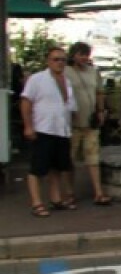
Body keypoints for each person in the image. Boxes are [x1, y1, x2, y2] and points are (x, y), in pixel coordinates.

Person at [20, 46, 77, 217]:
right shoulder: (37, 79)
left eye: (63, 60)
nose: (60, 63)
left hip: (61, 130)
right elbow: (26, 102)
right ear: (48, 61)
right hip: (43, 128)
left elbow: (70, 106)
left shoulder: (67, 81)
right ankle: (37, 203)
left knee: (57, 167)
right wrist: (28, 126)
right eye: (56, 59)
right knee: (37, 168)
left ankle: (56, 198)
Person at [66, 42, 112, 205]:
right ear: (73, 55)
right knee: (69, 159)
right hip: (72, 123)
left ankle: (98, 193)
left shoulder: (93, 72)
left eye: (86, 54)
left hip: (90, 122)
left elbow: (99, 92)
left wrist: (100, 110)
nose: (85, 58)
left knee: (93, 158)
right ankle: (69, 193)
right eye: (81, 54)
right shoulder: (66, 72)